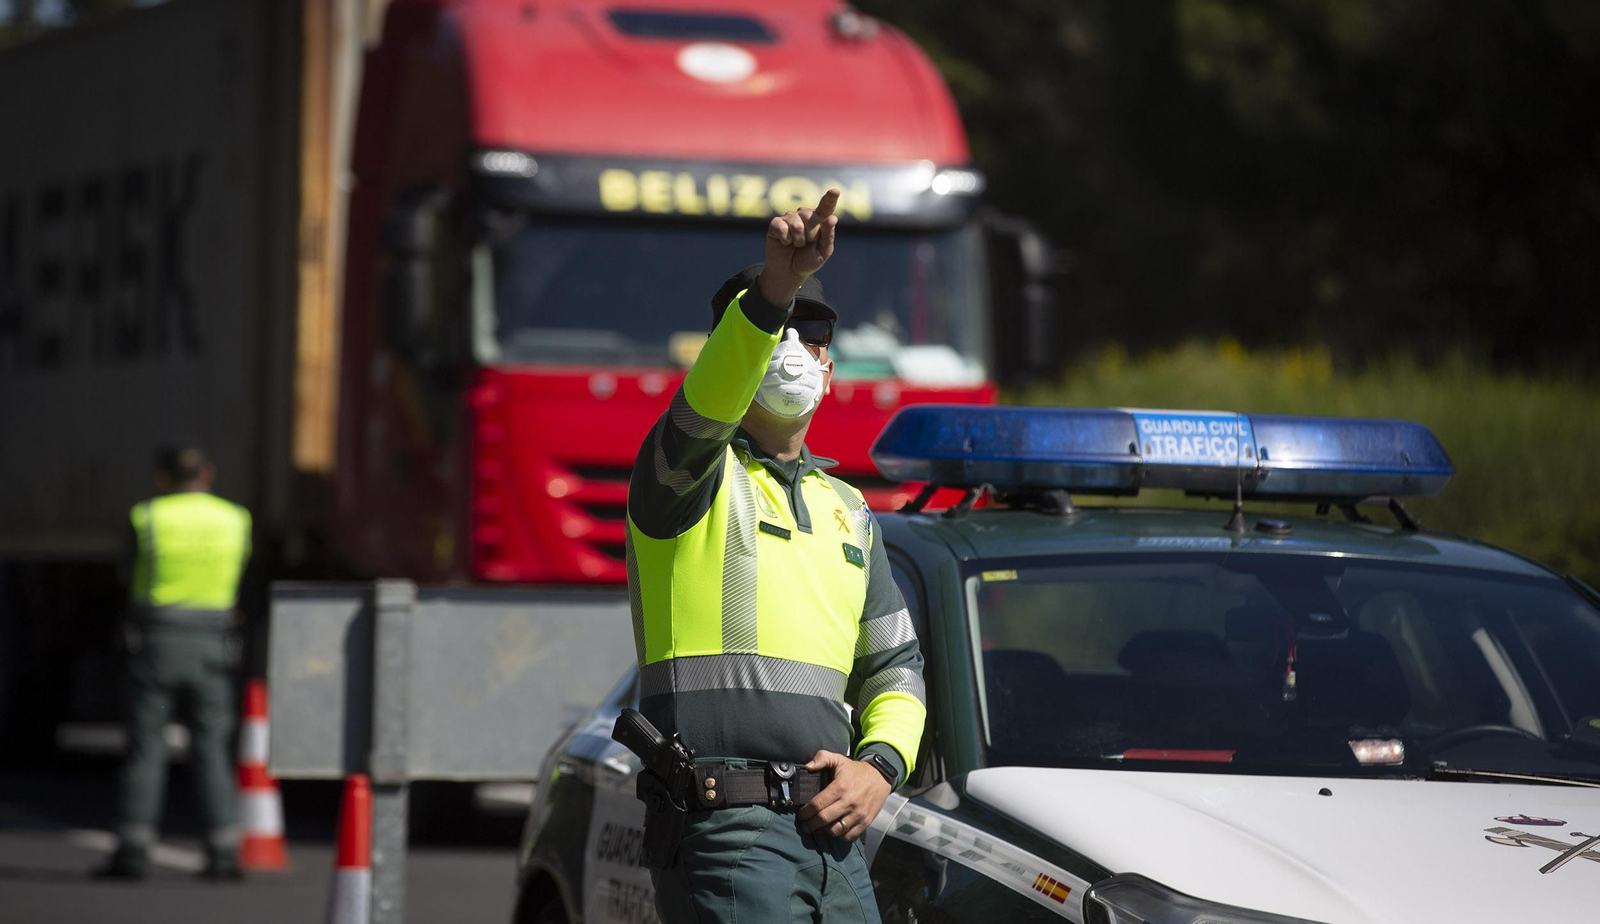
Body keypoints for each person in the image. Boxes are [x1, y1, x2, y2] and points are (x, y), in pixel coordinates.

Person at [625, 190, 926, 924]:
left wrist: (880, 768)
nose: (792, 347)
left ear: (829, 366)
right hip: (726, 832)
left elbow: (897, 668)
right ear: (730, 354)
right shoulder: (685, 478)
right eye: (773, 333)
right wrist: (775, 291)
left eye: (810, 333)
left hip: (834, 836)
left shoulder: (849, 510)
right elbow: (705, 410)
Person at [94, 447, 252, 881]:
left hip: (156, 642)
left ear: (163, 477)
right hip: (213, 644)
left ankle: (132, 852)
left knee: (146, 747)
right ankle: (223, 852)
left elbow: (126, 573)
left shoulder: (148, 516)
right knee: (212, 747)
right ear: (208, 473)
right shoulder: (234, 519)